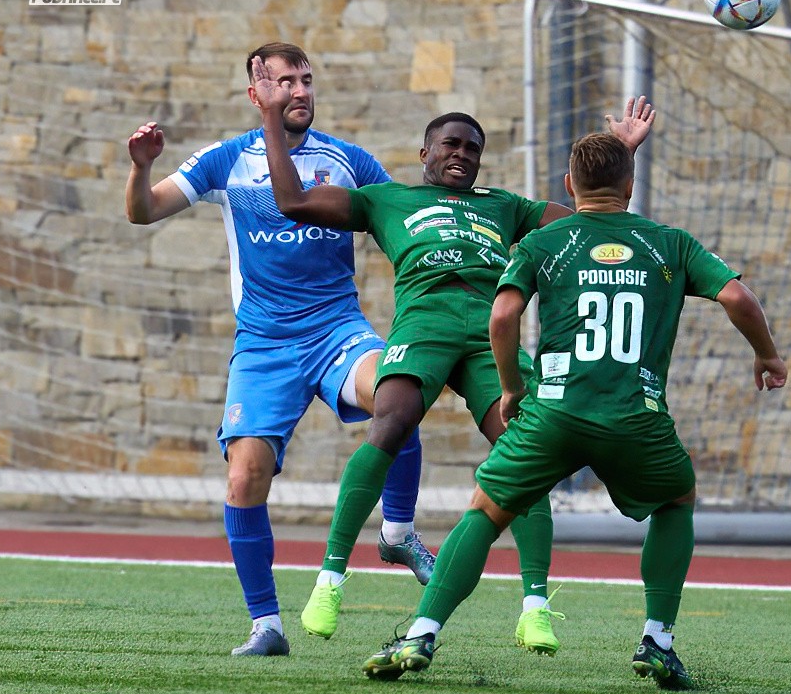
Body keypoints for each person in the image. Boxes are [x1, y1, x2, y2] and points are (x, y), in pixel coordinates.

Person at [252, 55, 655, 653]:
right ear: (425, 152)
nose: (462, 154)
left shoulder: (504, 205)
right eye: (451, 144)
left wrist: (621, 153)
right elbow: (292, 203)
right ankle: (329, 580)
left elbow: (590, 216)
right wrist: (270, 119)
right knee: (390, 423)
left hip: (491, 332)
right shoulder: (386, 199)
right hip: (427, 321)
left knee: (525, 452)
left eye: (472, 147)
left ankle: (535, 606)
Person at [359, 132, 788, 690]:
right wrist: (767, 354)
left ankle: (421, 633)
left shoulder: (546, 241)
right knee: (675, 500)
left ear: (568, 185)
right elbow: (737, 297)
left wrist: (511, 388)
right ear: (630, 185)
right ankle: (657, 640)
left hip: (553, 413)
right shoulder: (670, 243)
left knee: (486, 512)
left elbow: (501, 317)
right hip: (635, 416)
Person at [125, 42, 434, 657]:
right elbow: (143, 211)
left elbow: (405, 219)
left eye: (306, 80)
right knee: (244, 476)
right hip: (264, 341)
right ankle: (266, 626)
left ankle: (398, 531)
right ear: (256, 93)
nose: (299, 91)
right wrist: (140, 167)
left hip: (337, 330)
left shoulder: (347, 160)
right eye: (285, 81)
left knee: (399, 392)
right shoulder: (224, 160)